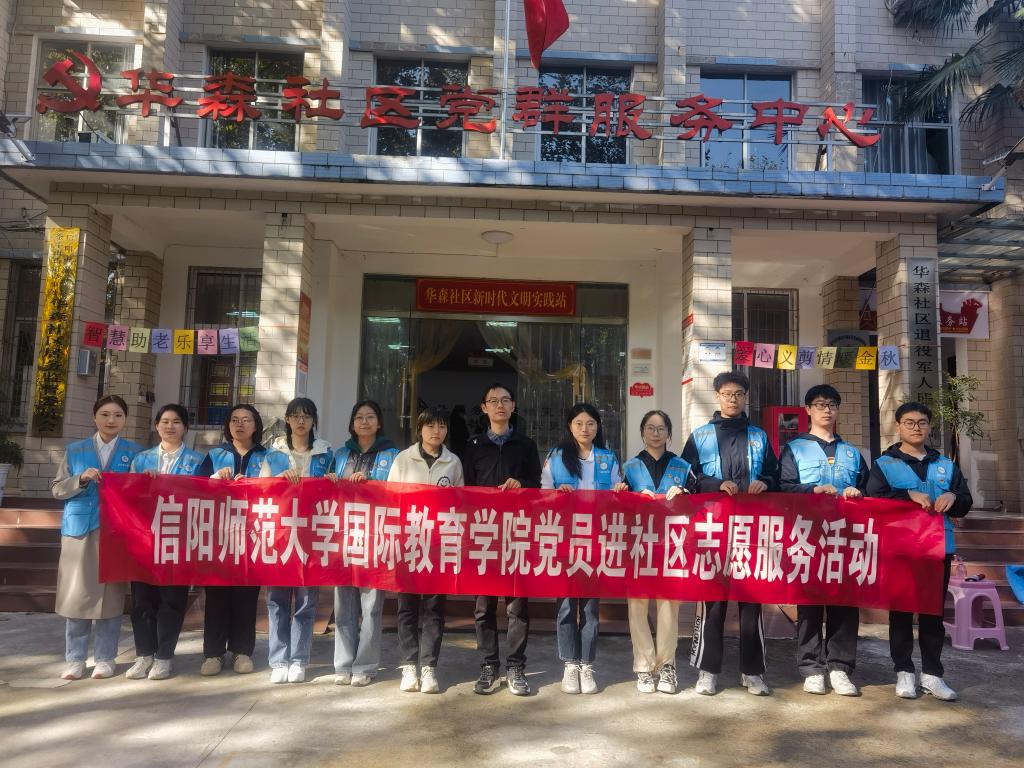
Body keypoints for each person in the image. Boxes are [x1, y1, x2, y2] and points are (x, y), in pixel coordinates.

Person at [866, 401, 972, 702]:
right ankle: (904, 671)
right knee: (900, 613)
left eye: (922, 422)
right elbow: (874, 499)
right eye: (910, 422)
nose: (916, 427)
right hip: (900, 549)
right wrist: (906, 495)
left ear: (929, 427)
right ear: (898, 426)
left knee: (932, 613)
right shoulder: (884, 464)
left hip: (938, 548)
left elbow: (966, 500)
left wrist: (953, 496)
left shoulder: (946, 465)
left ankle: (933, 675)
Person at [682, 370, 779, 696]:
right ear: (717, 397)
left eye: (738, 394)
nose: (733, 399)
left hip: (752, 529)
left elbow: (776, 475)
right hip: (713, 528)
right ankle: (708, 670)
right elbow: (686, 476)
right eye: (727, 394)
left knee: (752, 600)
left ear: (745, 397)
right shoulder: (700, 436)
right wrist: (714, 484)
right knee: (713, 601)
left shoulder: (759, 436)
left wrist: (764, 482)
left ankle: (752, 672)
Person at [779, 385, 869, 697]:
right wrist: (812, 491)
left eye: (832, 404)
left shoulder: (852, 453)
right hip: (808, 535)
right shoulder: (794, 449)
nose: (826, 410)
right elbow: (783, 488)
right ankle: (811, 667)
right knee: (809, 603)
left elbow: (870, 490)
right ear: (808, 410)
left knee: (845, 602)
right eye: (819, 404)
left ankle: (840, 667)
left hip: (845, 536)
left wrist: (858, 493)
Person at [51, 395, 142, 680]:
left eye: (117, 415)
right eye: (105, 414)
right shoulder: (75, 450)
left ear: (125, 419)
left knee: (110, 597)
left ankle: (105, 658)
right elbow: (57, 489)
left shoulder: (135, 453)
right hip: (80, 530)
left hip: (116, 532)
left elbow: (141, 493)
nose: (111, 420)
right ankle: (75, 659)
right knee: (76, 595)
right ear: (94, 417)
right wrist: (81, 479)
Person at [462, 383, 542, 697]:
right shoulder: (473, 445)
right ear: (484, 408)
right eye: (493, 401)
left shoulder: (526, 444)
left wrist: (521, 483)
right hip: (483, 533)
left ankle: (515, 666)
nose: (499, 405)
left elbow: (537, 484)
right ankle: (488, 664)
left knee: (517, 605)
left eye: (505, 400)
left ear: (513, 406)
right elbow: (465, 488)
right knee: (483, 606)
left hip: (517, 532)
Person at [197, 404, 288, 676]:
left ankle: (242, 650)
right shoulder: (215, 455)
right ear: (228, 425)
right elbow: (195, 488)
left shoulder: (271, 457)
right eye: (235, 420)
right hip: (219, 536)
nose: (240, 424)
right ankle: (213, 653)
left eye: (246, 420)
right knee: (216, 595)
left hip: (253, 536)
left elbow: (282, 491)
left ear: (256, 425)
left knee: (246, 595)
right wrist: (216, 478)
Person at [541, 403, 623, 695]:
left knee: (590, 606)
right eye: (578, 423)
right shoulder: (555, 457)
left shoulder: (608, 458)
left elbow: (617, 495)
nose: (585, 429)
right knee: (565, 606)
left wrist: (619, 492)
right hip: (565, 539)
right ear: (569, 426)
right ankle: (569, 664)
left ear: (598, 427)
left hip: (596, 540)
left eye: (590, 423)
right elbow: (542, 495)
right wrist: (556, 495)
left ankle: (587, 664)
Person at [387, 405, 465, 694]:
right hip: (408, 543)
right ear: (419, 429)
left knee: (434, 608)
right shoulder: (403, 459)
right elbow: (390, 499)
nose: (436, 431)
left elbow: (460, 502)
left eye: (442, 426)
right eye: (430, 426)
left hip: (438, 546)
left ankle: (429, 666)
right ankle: (409, 665)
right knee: (407, 607)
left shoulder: (453, 462)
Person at [125, 404, 205, 681]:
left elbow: (203, 497)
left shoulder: (197, 461)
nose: (170, 426)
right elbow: (128, 496)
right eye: (165, 421)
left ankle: (164, 656)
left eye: (177, 422)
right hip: (144, 538)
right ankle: (143, 654)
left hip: (178, 539)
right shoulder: (142, 459)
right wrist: (142, 484)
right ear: (156, 425)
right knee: (142, 599)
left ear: (185, 427)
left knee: (172, 599)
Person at [621, 409, 695, 694]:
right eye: (650, 428)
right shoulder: (630, 467)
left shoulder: (682, 467)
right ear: (642, 432)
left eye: (661, 428)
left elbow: (699, 501)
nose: (655, 433)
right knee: (637, 606)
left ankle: (667, 666)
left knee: (669, 607)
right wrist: (628, 495)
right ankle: (643, 667)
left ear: (669, 433)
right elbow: (619, 504)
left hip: (671, 545)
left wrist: (684, 494)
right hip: (638, 544)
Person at [328, 399, 399, 687]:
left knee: (371, 607)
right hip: (344, 538)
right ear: (352, 423)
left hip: (375, 537)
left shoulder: (392, 455)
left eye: (370, 417)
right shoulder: (340, 454)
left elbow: (398, 492)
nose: (365, 422)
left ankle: (366, 665)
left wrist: (370, 482)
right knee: (343, 606)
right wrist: (330, 481)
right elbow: (327, 494)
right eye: (359, 417)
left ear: (379, 423)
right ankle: (343, 664)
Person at [261, 397, 333, 684]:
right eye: (295, 416)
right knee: (276, 600)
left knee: (305, 601)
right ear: (287, 420)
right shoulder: (274, 453)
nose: (301, 421)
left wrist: (332, 481)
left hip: (311, 536)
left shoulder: (326, 452)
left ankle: (299, 659)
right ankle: (279, 660)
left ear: (314, 420)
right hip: (281, 534)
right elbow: (260, 490)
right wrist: (279, 477)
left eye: (307, 416)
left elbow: (334, 494)